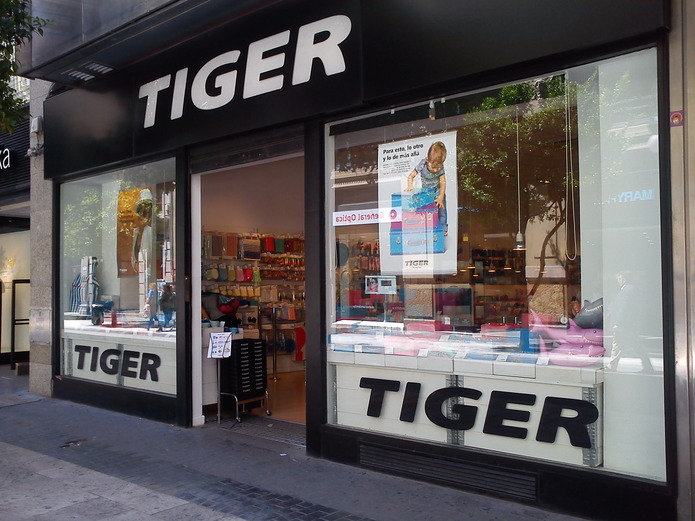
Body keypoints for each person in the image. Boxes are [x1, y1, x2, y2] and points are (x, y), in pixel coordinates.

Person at [404, 141, 448, 235]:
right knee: (424, 210)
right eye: (434, 167)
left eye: (438, 167)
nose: (436, 170)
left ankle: (443, 229)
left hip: (438, 192)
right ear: (428, 160)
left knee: (442, 211)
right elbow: (411, 176)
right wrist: (410, 185)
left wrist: (441, 196)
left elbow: (443, 182)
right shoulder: (422, 164)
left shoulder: (440, 167)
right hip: (427, 192)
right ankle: (424, 227)